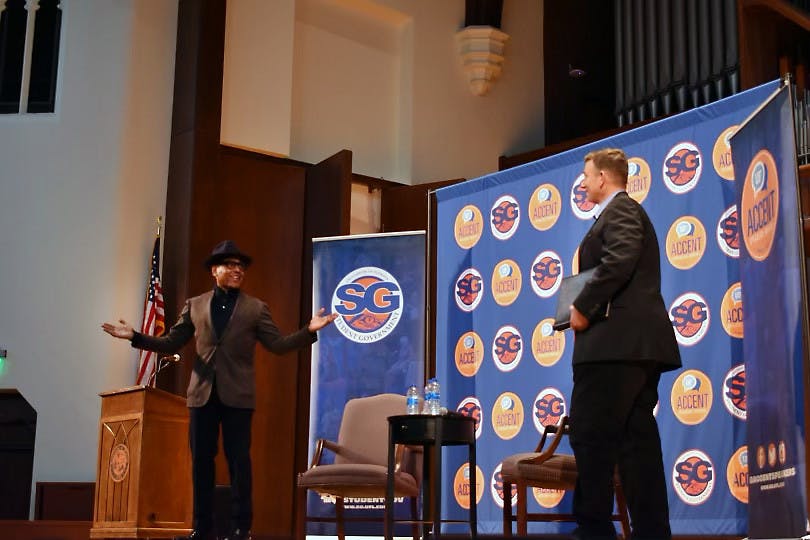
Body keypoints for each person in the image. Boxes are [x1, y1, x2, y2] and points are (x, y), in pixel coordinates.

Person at [102, 240, 337, 540]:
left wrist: (308, 331)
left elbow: (277, 345)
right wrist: (136, 336)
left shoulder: (255, 308)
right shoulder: (195, 305)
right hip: (201, 396)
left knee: (239, 462)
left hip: (238, 396)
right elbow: (172, 343)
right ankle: (202, 529)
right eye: (231, 265)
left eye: (241, 266)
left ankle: (242, 529)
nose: (238, 270)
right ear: (215, 271)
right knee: (201, 463)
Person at [568, 149, 682, 540]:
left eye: (585, 176)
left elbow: (620, 260)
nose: (581, 184)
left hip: (614, 350)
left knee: (593, 439)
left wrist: (583, 305)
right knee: (636, 448)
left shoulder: (621, 211)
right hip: (627, 350)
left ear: (603, 178)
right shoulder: (616, 215)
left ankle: (594, 532)